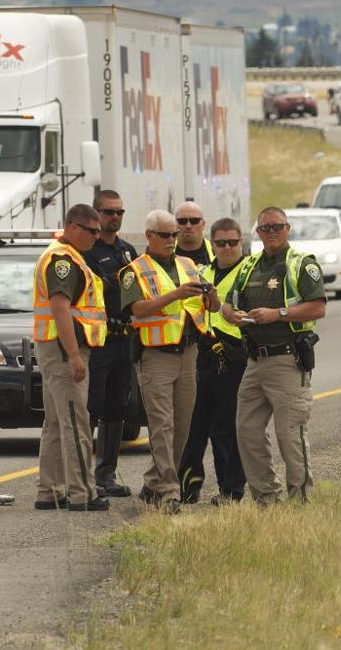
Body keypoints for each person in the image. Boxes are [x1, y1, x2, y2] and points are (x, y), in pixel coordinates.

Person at [222, 207, 326, 505]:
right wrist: (235, 316)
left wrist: (277, 314)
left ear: (287, 228)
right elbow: (227, 306)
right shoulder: (248, 266)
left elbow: (317, 307)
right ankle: (266, 499)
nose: (271, 232)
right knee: (247, 431)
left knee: (289, 434)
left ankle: (300, 502)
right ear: (257, 232)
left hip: (288, 360)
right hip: (255, 361)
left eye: (276, 226)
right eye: (265, 228)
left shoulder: (301, 264)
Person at [119, 209, 218, 512]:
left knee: (182, 425)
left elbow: (208, 305)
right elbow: (137, 309)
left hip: (188, 353)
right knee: (162, 426)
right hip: (155, 355)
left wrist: (211, 295)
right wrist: (174, 295)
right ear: (149, 236)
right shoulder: (133, 271)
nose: (171, 240)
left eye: (174, 234)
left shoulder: (188, 265)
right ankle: (169, 493)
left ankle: (153, 482)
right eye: (164, 235)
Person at [32, 204, 109, 512]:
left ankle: (49, 490)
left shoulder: (65, 256)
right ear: (73, 228)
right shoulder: (63, 260)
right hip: (64, 349)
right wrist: (75, 355)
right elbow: (60, 308)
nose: (97, 237)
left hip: (56, 347)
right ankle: (82, 493)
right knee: (76, 422)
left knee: (55, 421)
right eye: (92, 231)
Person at [178, 218, 248, 505]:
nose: (227, 248)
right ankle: (188, 485)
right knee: (195, 427)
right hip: (205, 355)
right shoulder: (204, 272)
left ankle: (230, 491)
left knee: (227, 428)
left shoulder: (249, 271)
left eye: (233, 242)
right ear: (213, 243)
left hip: (235, 356)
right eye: (221, 243)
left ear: (241, 242)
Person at [82, 189, 139, 498]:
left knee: (117, 406)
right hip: (98, 341)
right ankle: (82, 477)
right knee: (91, 406)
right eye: (108, 212)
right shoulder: (86, 251)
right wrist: (109, 280)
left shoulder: (128, 251)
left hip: (124, 339)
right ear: (96, 214)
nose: (114, 217)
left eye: (119, 212)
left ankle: (106, 474)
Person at [174, 200, 213, 266]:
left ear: (203, 224)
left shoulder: (216, 251)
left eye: (194, 221)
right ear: (175, 225)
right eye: (182, 221)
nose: (188, 226)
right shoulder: (164, 253)